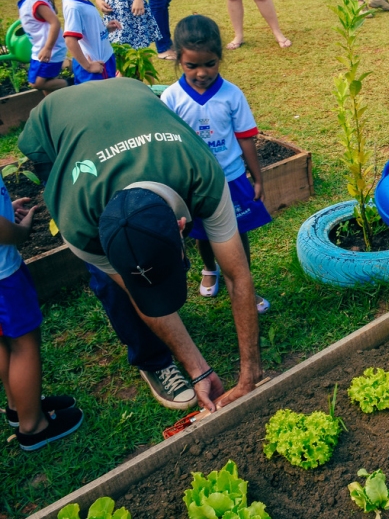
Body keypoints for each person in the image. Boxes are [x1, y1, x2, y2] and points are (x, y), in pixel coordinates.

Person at [18, 78, 264, 412]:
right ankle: (153, 361)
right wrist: (198, 368)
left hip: (130, 93)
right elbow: (136, 288)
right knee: (116, 288)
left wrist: (250, 374)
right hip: (53, 119)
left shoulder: (201, 174)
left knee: (158, 264)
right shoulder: (78, 225)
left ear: (181, 225)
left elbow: (237, 275)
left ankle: (166, 276)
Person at [162, 15, 272, 314]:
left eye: (210, 63)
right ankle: (209, 269)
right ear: (178, 61)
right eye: (191, 66)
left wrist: (257, 177)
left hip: (232, 177)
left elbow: (246, 138)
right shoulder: (170, 99)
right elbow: (169, 145)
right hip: (193, 183)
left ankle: (244, 285)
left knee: (237, 234)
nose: (202, 72)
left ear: (220, 58)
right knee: (201, 233)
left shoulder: (232, 95)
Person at [0, 175, 83, 451]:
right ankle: (33, 426)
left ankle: (19, 407)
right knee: (24, 345)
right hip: (4, 279)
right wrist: (20, 231)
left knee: (4, 343)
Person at [52, 0, 120, 83]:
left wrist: (105, 29)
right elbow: (70, 40)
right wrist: (88, 66)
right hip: (95, 68)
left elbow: (85, 30)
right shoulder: (73, 7)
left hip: (104, 60)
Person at [0, 0, 67, 93]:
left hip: (49, 52)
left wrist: (48, 48)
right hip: (41, 51)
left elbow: (55, 22)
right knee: (46, 83)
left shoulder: (34, 1)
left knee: (36, 82)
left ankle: (70, 83)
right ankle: (52, 105)